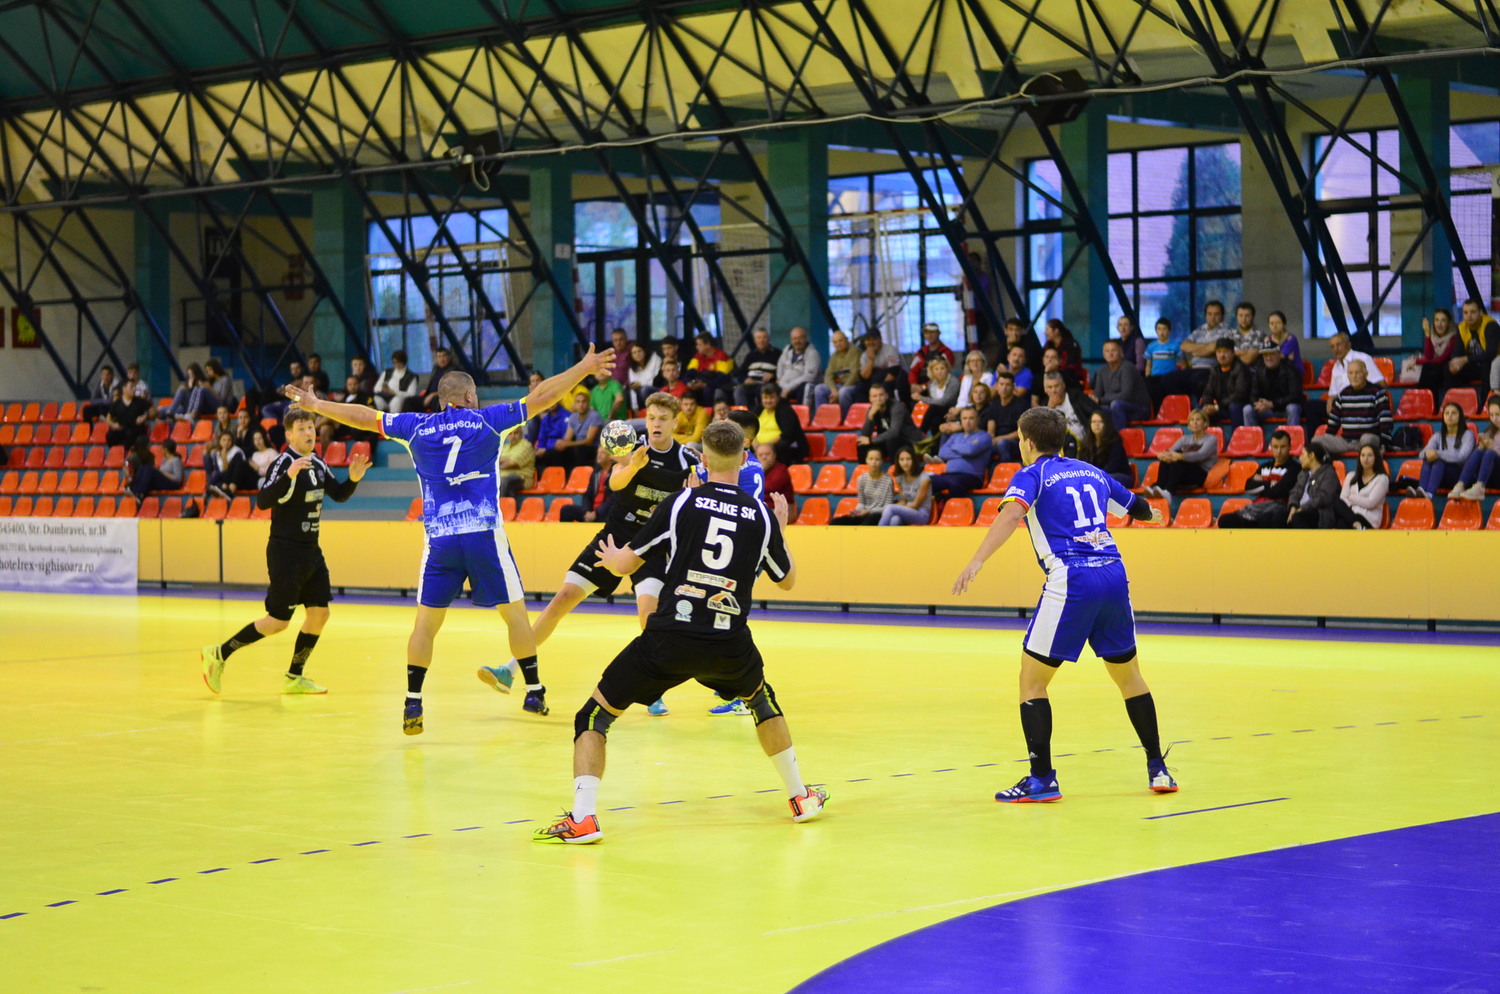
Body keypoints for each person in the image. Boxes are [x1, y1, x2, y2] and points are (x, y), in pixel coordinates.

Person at [279, 346, 614, 730]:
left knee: (425, 625)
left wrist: (317, 405)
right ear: (469, 396)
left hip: (441, 540)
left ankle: (413, 702)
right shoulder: (488, 421)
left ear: (441, 400)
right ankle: (534, 691)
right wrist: (583, 367)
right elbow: (543, 396)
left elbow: (365, 417)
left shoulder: (416, 427)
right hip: (483, 536)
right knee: (515, 615)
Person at [531, 421, 823, 844]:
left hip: (669, 638)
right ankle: (799, 797)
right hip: (728, 641)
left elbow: (626, 564)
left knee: (594, 716)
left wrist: (612, 557)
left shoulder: (682, 502)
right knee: (761, 701)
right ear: (744, 459)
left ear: (702, 460)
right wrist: (780, 529)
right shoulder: (760, 515)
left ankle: (584, 818)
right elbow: (788, 581)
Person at [951, 406, 1175, 802]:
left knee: (1032, 680)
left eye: (1021, 439)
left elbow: (1011, 516)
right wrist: (1155, 516)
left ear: (1028, 442)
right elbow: (1137, 507)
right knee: (1129, 677)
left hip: (1073, 578)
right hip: (1113, 574)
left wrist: (977, 560)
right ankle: (1158, 769)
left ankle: (1041, 779)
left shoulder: (1032, 475)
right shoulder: (1091, 471)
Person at [511, 391, 701, 718]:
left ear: (675, 422)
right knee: (563, 598)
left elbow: (691, 507)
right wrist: (634, 465)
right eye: (651, 418)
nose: (656, 424)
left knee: (649, 616)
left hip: (652, 546)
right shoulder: (633, 447)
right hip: (615, 536)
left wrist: (693, 495)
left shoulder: (687, 460)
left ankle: (652, 691)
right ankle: (512, 667)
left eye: (662, 419)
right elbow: (615, 483)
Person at [199, 408, 370, 696]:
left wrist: (353, 479)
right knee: (277, 622)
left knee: (320, 613)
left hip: (311, 551)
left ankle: (294, 676)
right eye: (301, 429)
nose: (309, 433)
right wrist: (288, 476)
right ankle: (218, 653)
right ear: (289, 435)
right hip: (286, 553)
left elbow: (339, 494)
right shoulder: (284, 463)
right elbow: (263, 501)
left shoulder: (317, 462)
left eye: (311, 427)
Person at [1218, 429, 1303, 528]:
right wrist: (1270, 483)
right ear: (1271, 448)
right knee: (1225, 520)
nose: (1279, 451)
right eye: (1275, 447)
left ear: (1289, 447)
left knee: (1269, 518)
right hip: (1256, 508)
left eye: (1282, 447)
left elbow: (1278, 491)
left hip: (1277, 509)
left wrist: (1262, 484)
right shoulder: (1264, 467)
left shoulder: (1295, 468)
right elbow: (1248, 487)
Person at [1143, 408, 1219, 501]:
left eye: (1198, 420)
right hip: (1184, 472)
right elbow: (1170, 452)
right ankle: (1160, 486)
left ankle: (1169, 492)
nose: (1195, 423)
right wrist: (1163, 455)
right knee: (1170, 458)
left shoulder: (1211, 439)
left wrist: (1181, 456)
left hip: (1201, 475)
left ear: (1205, 423)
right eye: (1192, 420)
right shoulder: (1185, 438)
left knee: (1177, 458)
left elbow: (1200, 455)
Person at [1321, 359, 1392, 455]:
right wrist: (1328, 439)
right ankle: (1327, 462)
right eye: (1350, 373)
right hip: (1346, 441)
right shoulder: (1343, 394)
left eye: (1357, 373)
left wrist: (1385, 443)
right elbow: (1334, 421)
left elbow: (1385, 420)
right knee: (1317, 441)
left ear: (1366, 374)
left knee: (1367, 438)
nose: (1354, 376)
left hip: (1368, 440)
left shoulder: (1377, 392)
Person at [692, 408, 765, 500]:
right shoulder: (753, 463)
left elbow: (683, 477)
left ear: (744, 442)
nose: (720, 432)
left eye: (727, 430)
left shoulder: (731, 464)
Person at [1411, 401, 1474, 498]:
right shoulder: (1438, 435)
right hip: (1440, 476)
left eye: (1453, 413)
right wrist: (1428, 453)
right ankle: (1421, 490)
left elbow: (1461, 457)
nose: (1450, 416)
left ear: (1460, 416)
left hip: (1459, 477)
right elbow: (1422, 454)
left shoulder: (1467, 435)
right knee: (1428, 460)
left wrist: (1438, 454)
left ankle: (1429, 493)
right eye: (1447, 413)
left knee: (1439, 462)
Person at [928, 406, 991, 500]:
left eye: (971, 418)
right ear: (961, 420)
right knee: (925, 481)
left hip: (972, 477)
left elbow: (970, 450)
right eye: (964, 418)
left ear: (977, 419)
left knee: (954, 482)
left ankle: (950, 505)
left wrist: (953, 447)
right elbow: (942, 453)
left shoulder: (984, 436)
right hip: (950, 475)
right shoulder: (955, 436)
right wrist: (964, 451)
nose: (968, 422)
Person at [1168, 300, 1230, 395]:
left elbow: (1215, 347)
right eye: (1209, 314)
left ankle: (1197, 403)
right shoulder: (1200, 330)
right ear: (1205, 315)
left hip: (1212, 370)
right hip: (1194, 368)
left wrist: (1194, 351)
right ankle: (1185, 402)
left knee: (1196, 379)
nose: (1212, 317)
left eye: (1216, 314)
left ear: (1222, 316)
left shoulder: (1227, 331)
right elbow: (1184, 346)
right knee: (1168, 379)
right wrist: (1206, 348)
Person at [1094, 338, 1152, 430]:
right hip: (1114, 408)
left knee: (1116, 404)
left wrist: (1100, 400)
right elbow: (1097, 396)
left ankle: (1120, 436)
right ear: (1103, 354)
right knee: (1097, 409)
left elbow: (1125, 395)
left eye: (1113, 350)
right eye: (1107, 351)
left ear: (1121, 353)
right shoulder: (1101, 370)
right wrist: (1094, 400)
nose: (1110, 354)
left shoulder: (1127, 367)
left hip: (1138, 408)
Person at [856, 381, 920, 463]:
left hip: (908, 441)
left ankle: (895, 469)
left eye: (881, 395)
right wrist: (870, 417)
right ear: (870, 399)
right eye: (875, 396)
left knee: (892, 440)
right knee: (862, 444)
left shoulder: (897, 407)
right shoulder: (872, 410)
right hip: (887, 442)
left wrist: (871, 441)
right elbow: (865, 435)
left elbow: (894, 432)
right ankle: (865, 470)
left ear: (886, 396)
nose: (878, 399)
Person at [1285, 441, 1344, 529]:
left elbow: (1323, 498)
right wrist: (1293, 507)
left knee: (1298, 518)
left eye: (1302, 454)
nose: (1300, 458)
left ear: (1311, 455)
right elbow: (1295, 492)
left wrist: (1302, 508)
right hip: (1299, 510)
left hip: (1320, 512)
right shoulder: (1303, 473)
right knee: (1276, 515)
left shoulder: (1328, 473)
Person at [1451, 396, 1500, 500]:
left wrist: (1492, 448)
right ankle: (1460, 485)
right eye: (1492, 415)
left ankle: (1479, 488)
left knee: (1490, 453)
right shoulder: (1489, 432)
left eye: (1498, 414)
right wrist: (1481, 446)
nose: (1494, 418)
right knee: (1478, 452)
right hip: (1488, 476)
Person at [540, 391, 604, 469]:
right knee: (554, 452)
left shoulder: (594, 416)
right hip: (578, 447)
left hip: (592, 448)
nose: (581, 405)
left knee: (579, 450)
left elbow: (589, 441)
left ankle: (581, 474)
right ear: (574, 404)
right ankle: (562, 474)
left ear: (588, 403)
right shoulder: (573, 417)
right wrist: (561, 444)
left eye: (584, 402)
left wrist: (568, 444)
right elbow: (567, 438)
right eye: (578, 402)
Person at [1244, 346, 1305, 427]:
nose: (1268, 358)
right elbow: (1253, 395)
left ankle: (1293, 434)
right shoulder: (1259, 371)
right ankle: (1252, 435)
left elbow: (1295, 395)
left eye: (1272, 354)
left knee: (1293, 408)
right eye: (1265, 355)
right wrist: (1260, 404)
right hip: (1267, 409)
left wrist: (1273, 404)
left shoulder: (1291, 369)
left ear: (1279, 354)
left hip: (1285, 408)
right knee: (1247, 409)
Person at [832, 448, 894, 525]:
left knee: (869, 520)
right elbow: (861, 503)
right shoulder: (861, 479)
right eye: (871, 459)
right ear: (866, 460)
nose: (873, 462)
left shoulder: (888, 480)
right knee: (836, 522)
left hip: (879, 514)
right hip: (864, 513)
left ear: (882, 461)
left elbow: (888, 506)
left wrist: (869, 511)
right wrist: (856, 511)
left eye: (877, 459)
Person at [1198, 337, 1252, 426]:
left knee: (1234, 406)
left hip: (1237, 406)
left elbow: (1239, 394)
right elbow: (1208, 392)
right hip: (1220, 407)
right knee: (1199, 409)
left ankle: (1236, 434)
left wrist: (1217, 406)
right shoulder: (1215, 370)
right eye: (1219, 352)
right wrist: (1207, 405)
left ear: (1233, 353)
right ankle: (1202, 435)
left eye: (1225, 352)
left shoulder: (1241, 369)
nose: (1222, 355)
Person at [878, 446, 933, 525]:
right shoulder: (899, 478)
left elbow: (915, 505)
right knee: (895, 519)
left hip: (921, 514)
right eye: (902, 459)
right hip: (907, 510)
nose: (905, 463)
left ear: (914, 460)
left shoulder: (924, 479)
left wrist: (893, 508)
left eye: (908, 459)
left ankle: (878, 532)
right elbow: (904, 501)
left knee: (890, 508)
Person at [756, 383, 809, 465]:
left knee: (783, 445)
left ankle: (782, 468)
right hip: (760, 446)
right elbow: (750, 429)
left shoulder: (785, 410)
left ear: (778, 398)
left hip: (783, 445)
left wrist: (767, 446)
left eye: (772, 397)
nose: (768, 401)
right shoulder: (759, 409)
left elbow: (787, 434)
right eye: (765, 398)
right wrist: (755, 445)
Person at [1339, 443, 1389, 530]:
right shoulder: (1351, 475)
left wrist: (1351, 497)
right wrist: (1356, 502)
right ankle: (1356, 524)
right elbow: (1343, 499)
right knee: (1335, 502)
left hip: (1368, 518)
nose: (1366, 459)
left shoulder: (1382, 479)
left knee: (1342, 523)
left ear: (1376, 458)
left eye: (1369, 455)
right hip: (1350, 513)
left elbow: (1370, 503)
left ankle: (1356, 524)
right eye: (1363, 455)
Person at [983, 370, 1028, 462]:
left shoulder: (1021, 405)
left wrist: (999, 439)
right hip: (997, 441)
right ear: (997, 386)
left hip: (1016, 443)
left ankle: (1005, 468)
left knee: (1002, 443)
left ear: (1013, 387)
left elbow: (1021, 432)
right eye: (1001, 384)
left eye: (1007, 385)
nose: (1004, 388)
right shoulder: (993, 405)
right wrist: (991, 439)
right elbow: (991, 431)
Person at [559, 446, 614, 523]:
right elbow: (587, 495)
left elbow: (612, 499)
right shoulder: (596, 473)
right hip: (591, 511)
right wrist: (587, 511)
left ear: (611, 457)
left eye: (602, 453)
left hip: (605, 512)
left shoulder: (615, 473)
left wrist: (597, 513)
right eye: (598, 453)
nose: (599, 455)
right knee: (566, 510)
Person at [812, 330, 859, 419]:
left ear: (847, 340)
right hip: (839, 385)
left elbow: (855, 374)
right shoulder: (834, 356)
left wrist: (839, 392)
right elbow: (828, 376)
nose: (838, 344)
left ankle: (844, 420)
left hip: (853, 385)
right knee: (819, 389)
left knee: (843, 392)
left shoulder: (855, 351)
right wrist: (834, 390)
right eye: (835, 342)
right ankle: (823, 419)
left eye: (841, 340)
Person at [1453, 298, 1498, 390]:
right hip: (1474, 365)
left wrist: (1466, 359)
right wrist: (1455, 362)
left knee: (1486, 365)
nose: (1469, 316)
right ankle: (1451, 398)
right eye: (1465, 313)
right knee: (1450, 367)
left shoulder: (1491, 325)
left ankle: (1486, 398)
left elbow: (1491, 353)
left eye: (1473, 312)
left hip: (1493, 364)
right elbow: (1457, 352)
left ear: (1480, 313)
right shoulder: (1462, 328)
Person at [1325, 332, 1386, 398]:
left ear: (1348, 345)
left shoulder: (1364, 358)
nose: (1336, 349)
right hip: (1343, 402)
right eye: (1332, 347)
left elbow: (1381, 384)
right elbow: (1332, 395)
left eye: (1339, 345)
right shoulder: (1336, 367)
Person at [1415, 309, 1461, 397]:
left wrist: (1418, 361)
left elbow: (1441, 360)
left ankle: (1425, 400)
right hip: (1436, 373)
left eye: (1443, 320)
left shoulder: (1454, 338)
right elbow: (1429, 356)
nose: (1439, 324)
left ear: (1448, 323)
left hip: (1450, 374)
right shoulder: (1432, 337)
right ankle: (1426, 401)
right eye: (1437, 320)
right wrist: (1427, 335)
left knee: (1429, 369)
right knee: (1429, 370)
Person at [1080, 411, 1132, 488]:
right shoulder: (1087, 443)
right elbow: (1084, 464)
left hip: (1119, 475)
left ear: (1106, 424)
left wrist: (1095, 477)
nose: (1096, 425)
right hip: (1098, 477)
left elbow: (1112, 466)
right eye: (1094, 422)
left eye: (1100, 422)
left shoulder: (1115, 441)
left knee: (1104, 480)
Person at [733, 327, 782, 408]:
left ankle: (761, 413)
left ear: (768, 339)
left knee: (761, 390)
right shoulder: (750, 355)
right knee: (739, 390)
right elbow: (740, 373)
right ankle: (743, 414)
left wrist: (773, 375)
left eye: (764, 337)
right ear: (755, 341)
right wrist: (745, 379)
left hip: (767, 384)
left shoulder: (777, 354)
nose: (761, 340)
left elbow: (783, 371)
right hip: (751, 385)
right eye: (759, 338)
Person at [775, 326, 822, 408]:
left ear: (805, 338)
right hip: (784, 385)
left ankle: (803, 413)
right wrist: (779, 378)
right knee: (767, 389)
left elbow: (809, 377)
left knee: (805, 387)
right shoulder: (787, 350)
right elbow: (780, 364)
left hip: (799, 387)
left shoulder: (812, 354)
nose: (797, 341)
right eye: (794, 338)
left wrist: (788, 388)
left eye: (800, 338)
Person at [855, 329, 904, 404]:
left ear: (880, 339)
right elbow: (864, 377)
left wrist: (879, 387)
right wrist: (871, 360)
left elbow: (894, 372)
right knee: (860, 388)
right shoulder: (865, 355)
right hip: (875, 381)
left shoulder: (890, 350)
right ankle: (866, 409)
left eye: (873, 339)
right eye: (868, 340)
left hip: (892, 379)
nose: (871, 342)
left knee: (885, 386)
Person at [684, 332, 734, 405]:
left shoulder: (721, 356)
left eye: (699, 344)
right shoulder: (698, 357)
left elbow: (722, 378)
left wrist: (705, 384)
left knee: (708, 390)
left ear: (708, 344)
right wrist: (689, 383)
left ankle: (709, 410)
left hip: (715, 385)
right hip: (700, 382)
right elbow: (689, 373)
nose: (696, 347)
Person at [912, 356, 959, 432]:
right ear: (932, 371)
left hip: (951, 411)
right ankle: (931, 438)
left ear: (947, 369)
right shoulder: (931, 384)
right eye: (936, 369)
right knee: (935, 420)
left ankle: (921, 432)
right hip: (937, 413)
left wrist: (921, 398)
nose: (939, 371)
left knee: (933, 408)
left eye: (942, 368)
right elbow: (933, 401)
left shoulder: (953, 382)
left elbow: (943, 402)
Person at [206, 431, 255, 500]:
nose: (226, 442)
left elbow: (228, 469)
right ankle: (217, 489)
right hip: (228, 480)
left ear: (232, 442)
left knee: (237, 459)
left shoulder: (236, 451)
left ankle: (227, 490)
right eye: (224, 440)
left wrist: (224, 457)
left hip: (242, 479)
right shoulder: (217, 453)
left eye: (229, 440)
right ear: (219, 442)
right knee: (217, 474)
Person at [907, 322, 956, 388]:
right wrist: (913, 384)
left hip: (936, 386)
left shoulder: (946, 352)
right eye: (926, 333)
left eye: (932, 332)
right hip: (919, 385)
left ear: (938, 333)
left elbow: (944, 375)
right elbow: (913, 370)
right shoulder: (921, 352)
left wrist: (924, 387)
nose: (929, 335)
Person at [1043, 320, 1086, 389]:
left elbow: (1071, 368)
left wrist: (1056, 369)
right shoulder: (1048, 345)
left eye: (1047, 329)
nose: (1045, 332)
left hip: (1070, 379)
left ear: (1056, 331)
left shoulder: (1071, 345)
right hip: (1050, 376)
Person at [497, 425, 536, 498]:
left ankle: (502, 504)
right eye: (510, 434)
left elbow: (511, 463)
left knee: (505, 481)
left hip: (522, 478)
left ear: (521, 433)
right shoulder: (505, 447)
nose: (513, 436)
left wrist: (499, 462)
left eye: (516, 433)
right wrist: (505, 460)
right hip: (503, 477)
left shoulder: (526, 445)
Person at [758, 441, 795, 511]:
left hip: (781, 509)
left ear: (774, 455)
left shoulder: (781, 469)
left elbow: (770, 487)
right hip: (763, 507)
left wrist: (761, 471)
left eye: (767, 454)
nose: (764, 457)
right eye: (760, 455)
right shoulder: (754, 470)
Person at [624, 341, 661, 409]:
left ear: (644, 351)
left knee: (644, 389)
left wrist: (640, 384)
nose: (637, 354)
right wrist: (635, 408)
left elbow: (656, 381)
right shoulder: (632, 369)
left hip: (658, 390)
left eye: (639, 351)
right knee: (626, 393)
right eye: (634, 353)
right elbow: (633, 389)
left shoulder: (655, 359)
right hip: (642, 395)